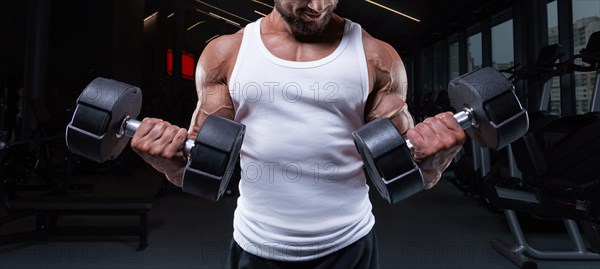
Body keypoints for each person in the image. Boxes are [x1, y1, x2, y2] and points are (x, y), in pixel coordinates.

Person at [131, 0, 466, 267]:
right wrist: (165, 162)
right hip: (256, 244)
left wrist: (436, 161)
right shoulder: (226, 55)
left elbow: (404, 172)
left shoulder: (377, 57)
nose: (318, 5)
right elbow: (202, 170)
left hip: (348, 244)